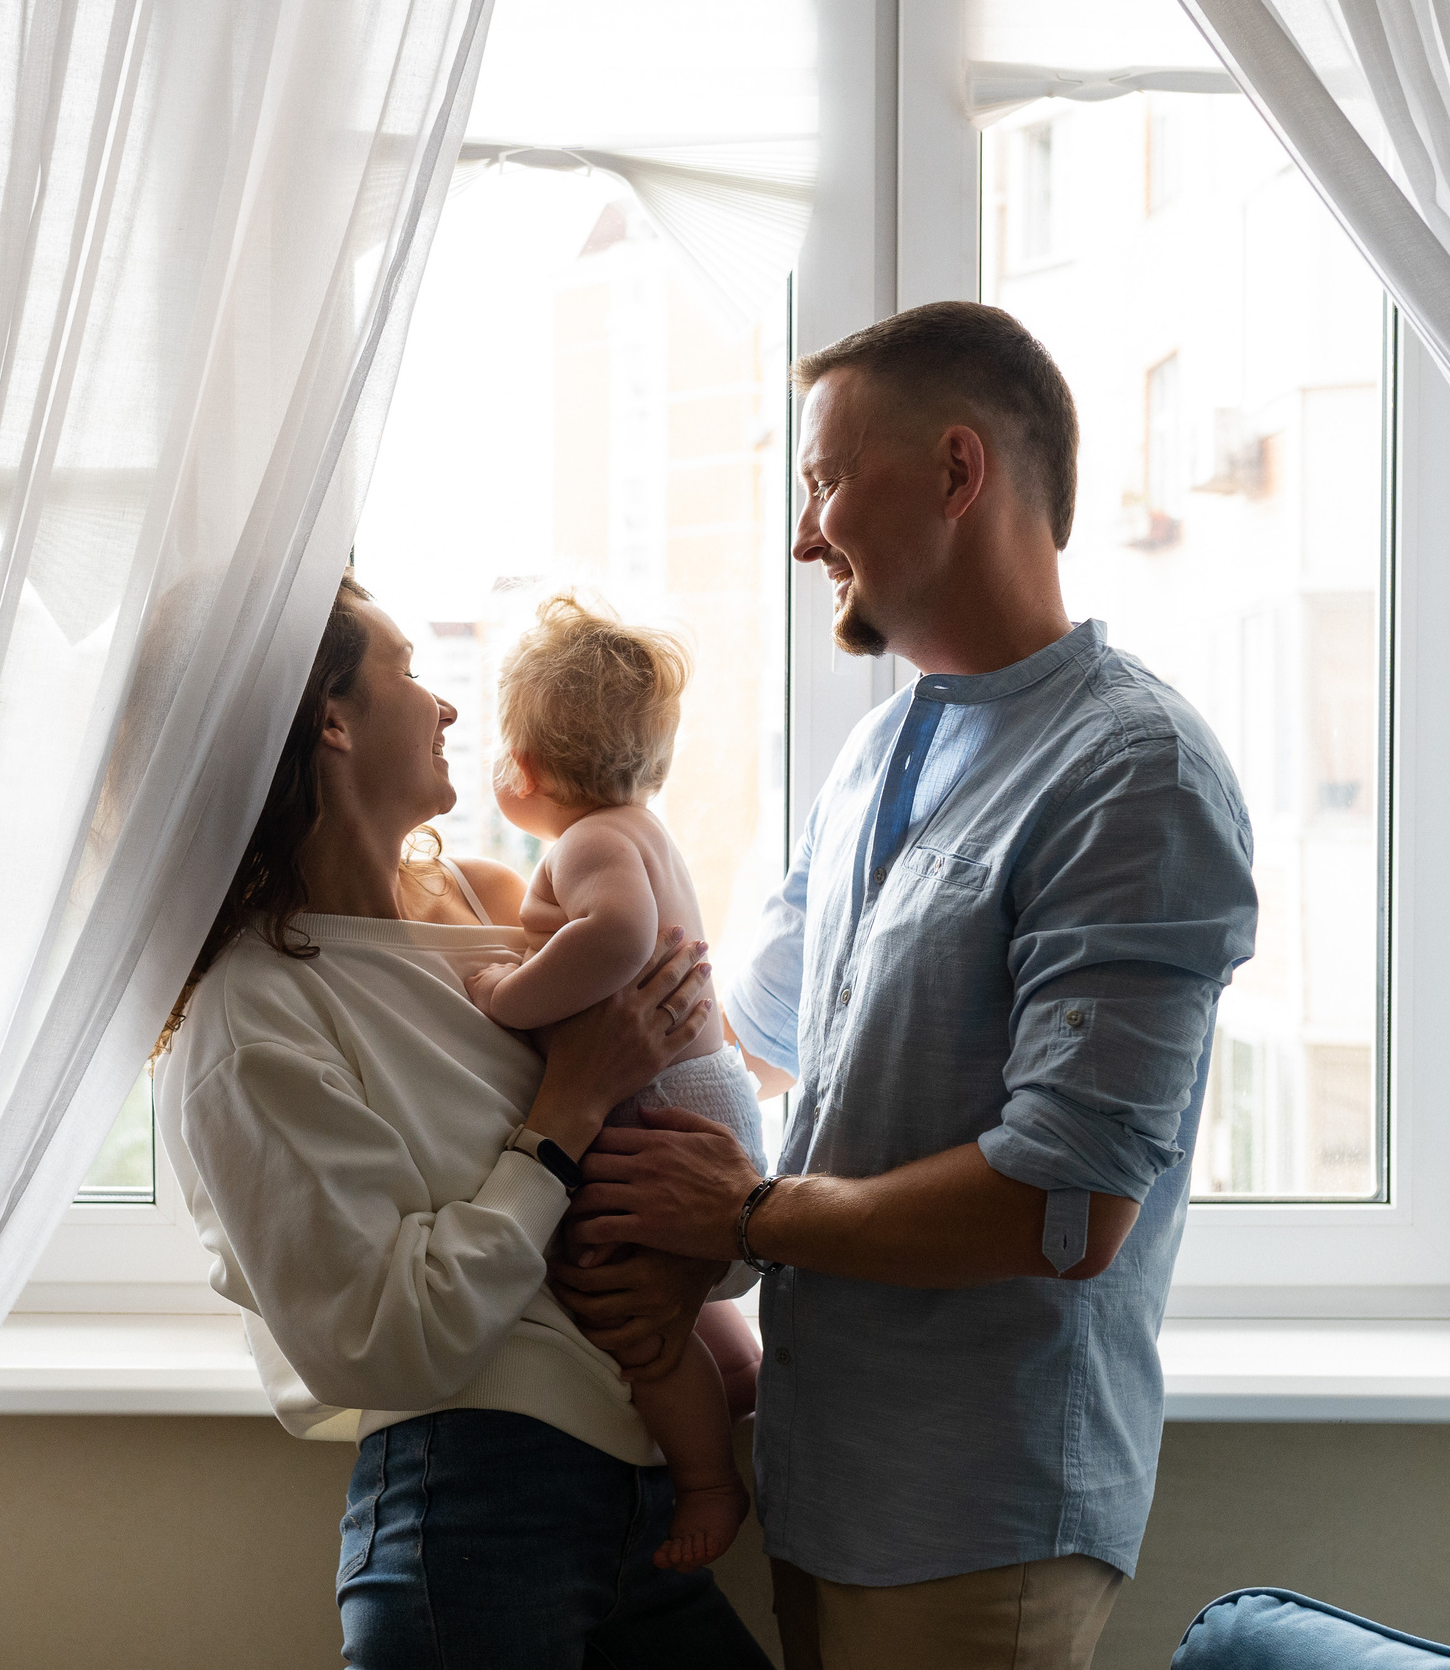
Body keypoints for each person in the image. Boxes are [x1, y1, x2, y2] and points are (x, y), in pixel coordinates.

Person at [551, 301, 1259, 1670]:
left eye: (824, 480)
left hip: (972, 1518)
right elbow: (746, 1035)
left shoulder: (1135, 775)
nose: (805, 531)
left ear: (957, 470)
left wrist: (747, 1211)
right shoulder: (877, 757)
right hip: (825, 1487)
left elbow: (1065, 1205)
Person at [152, 576, 775, 1670]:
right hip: (480, 1506)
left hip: (643, 1490)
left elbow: (685, 1186)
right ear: (330, 721)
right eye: (406, 670)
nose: (444, 708)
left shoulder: (502, 909)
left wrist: (691, 1260)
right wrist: (564, 1108)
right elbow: (389, 1340)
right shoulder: (252, 1020)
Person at [462, 590, 768, 1574]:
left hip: (669, 1116)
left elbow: (622, 937)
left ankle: (710, 1480)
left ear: (528, 766)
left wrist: (511, 993)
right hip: (704, 1097)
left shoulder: (589, 840)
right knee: (666, 1287)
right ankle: (736, 1365)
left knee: (619, 1308)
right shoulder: (640, 828)